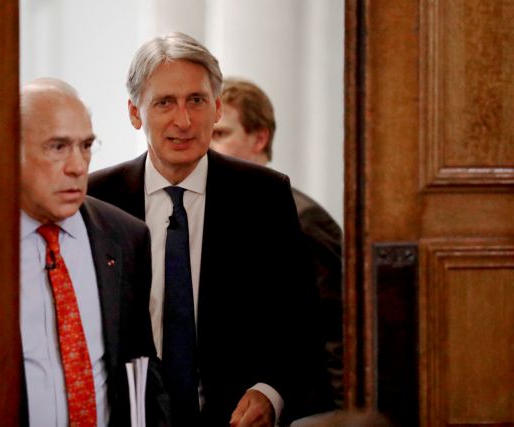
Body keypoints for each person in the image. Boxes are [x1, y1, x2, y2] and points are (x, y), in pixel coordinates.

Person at [88, 32, 334, 426]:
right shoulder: (97, 200)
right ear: (135, 113)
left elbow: (301, 329)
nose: (183, 121)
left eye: (197, 101)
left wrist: (270, 393)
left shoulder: (265, 196)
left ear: (216, 107)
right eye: (165, 102)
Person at [19, 78, 169, 427]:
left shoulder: (126, 236)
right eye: (58, 147)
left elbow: (141, 366)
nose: (77, 166)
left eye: (86, 146)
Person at [211, 77, 344, 407]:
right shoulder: (211, 213)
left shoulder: (304, 219)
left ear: (259, 138)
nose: (207, 146)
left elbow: (335, 338)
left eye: (221, 134)